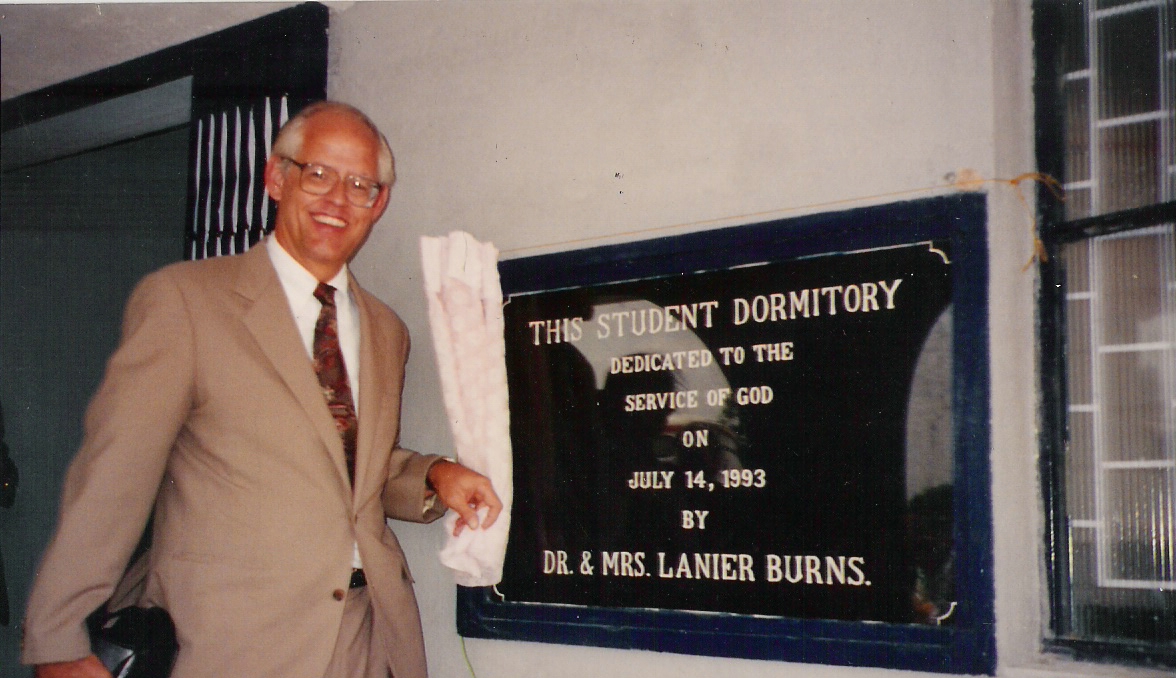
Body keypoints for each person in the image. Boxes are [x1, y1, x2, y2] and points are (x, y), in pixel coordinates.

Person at [21, 101, 502, 678]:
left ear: (379, 204)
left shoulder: (385, 329)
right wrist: (57, 638)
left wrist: (435, 475)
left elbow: (344, 465)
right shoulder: (187, 301)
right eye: (318, 174)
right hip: (234, 641)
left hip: (366, 635)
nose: (337, 199)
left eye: (359, 185)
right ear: (276, 178)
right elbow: (114, 474)